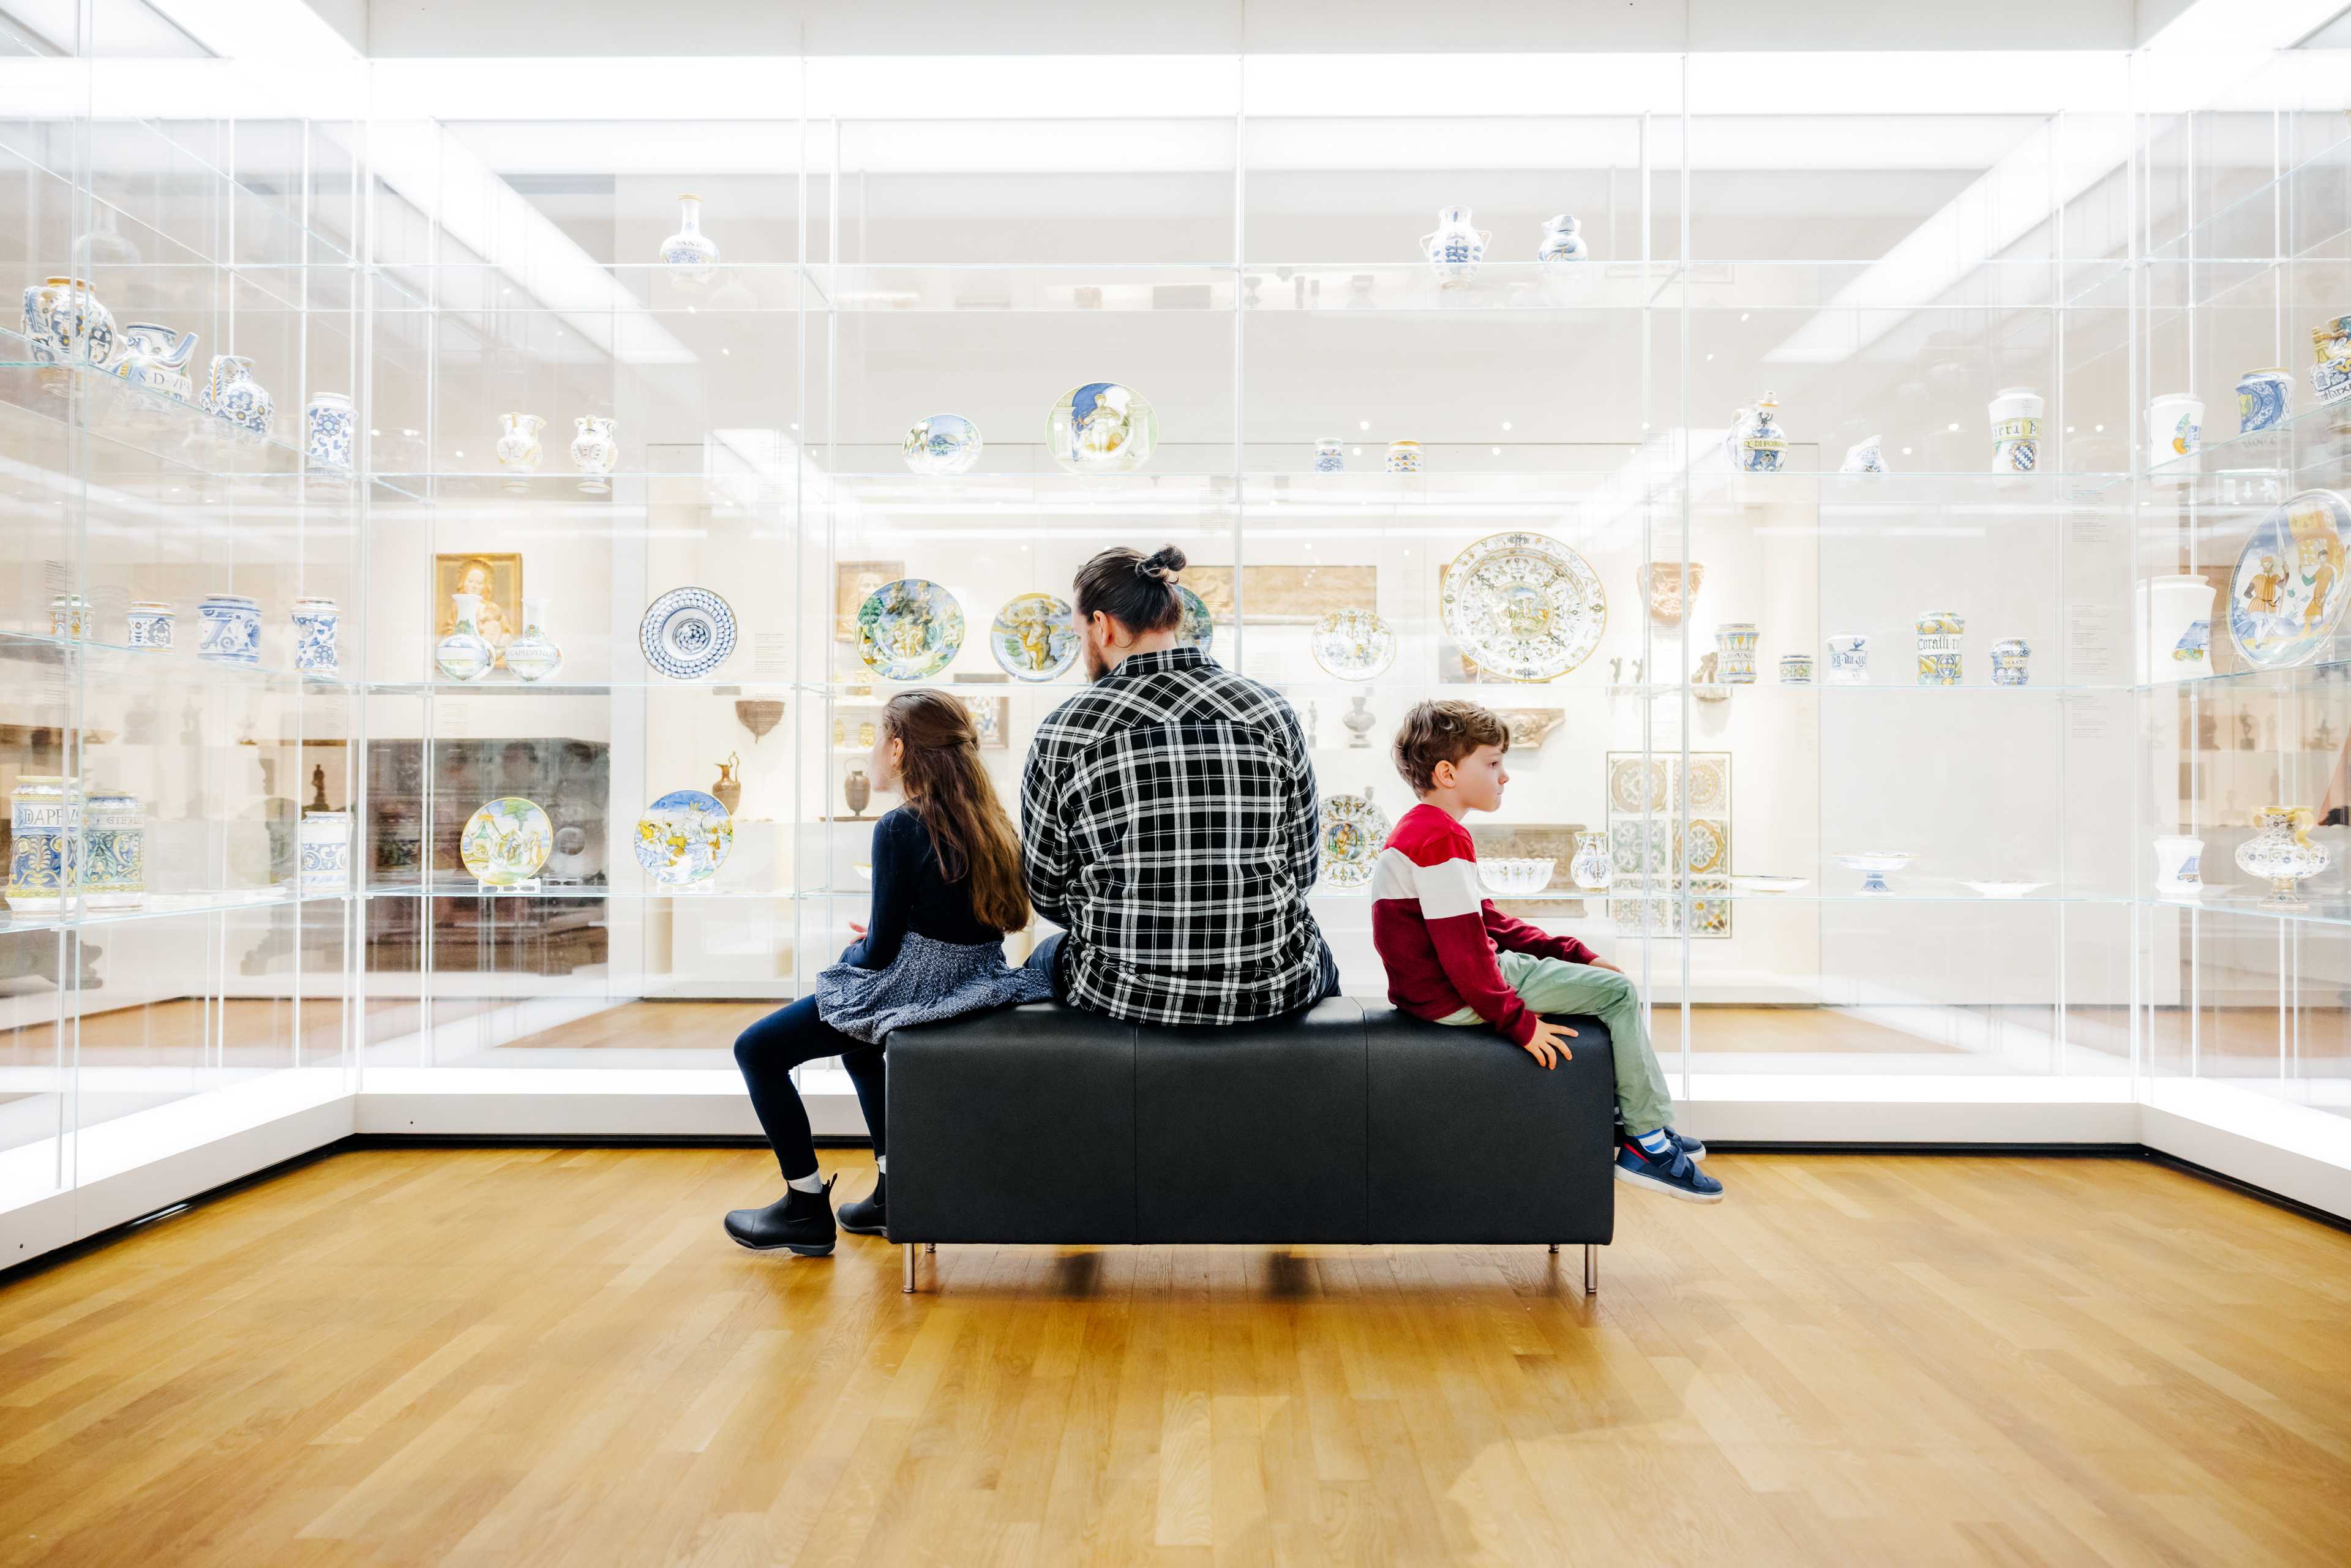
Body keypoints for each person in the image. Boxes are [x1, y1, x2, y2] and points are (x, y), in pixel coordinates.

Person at [725, 691, 1049, 1255]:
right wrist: (879, 937)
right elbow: (956, 921)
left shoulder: (900, 826)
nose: (874, 750)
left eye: (877, 738)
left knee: (756, 1049)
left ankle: (803, 1206)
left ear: (898, 749)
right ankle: (893, 1192)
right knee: (859, 1046)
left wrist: (852, 954)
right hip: (975, 980)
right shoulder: (986, 816)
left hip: (918, 986)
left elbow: (877, 956)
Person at [1369, 700, 1723, 1202]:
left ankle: (1640, 1120)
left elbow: (1488, 924)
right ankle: (1647, 1142)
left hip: (1453, 983)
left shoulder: (1425, 829)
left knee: (1601, 983)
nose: (1504, 776)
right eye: (1492, 763)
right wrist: (1519, 1021)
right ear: (1448, 772)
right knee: (1619, 993)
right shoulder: (1439, 837)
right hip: (1454, 995)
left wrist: (1574, 951)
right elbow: (1466, 959)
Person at [1021, 544, 1337, 1024]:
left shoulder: (1066, 730)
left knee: (1043, 957)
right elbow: (1303, 869)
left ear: (1102, 626)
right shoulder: (1270, 712)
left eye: (1080, 632)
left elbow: (1046, 893)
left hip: (1121, 992)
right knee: (1321, 957)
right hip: (1273, 988)